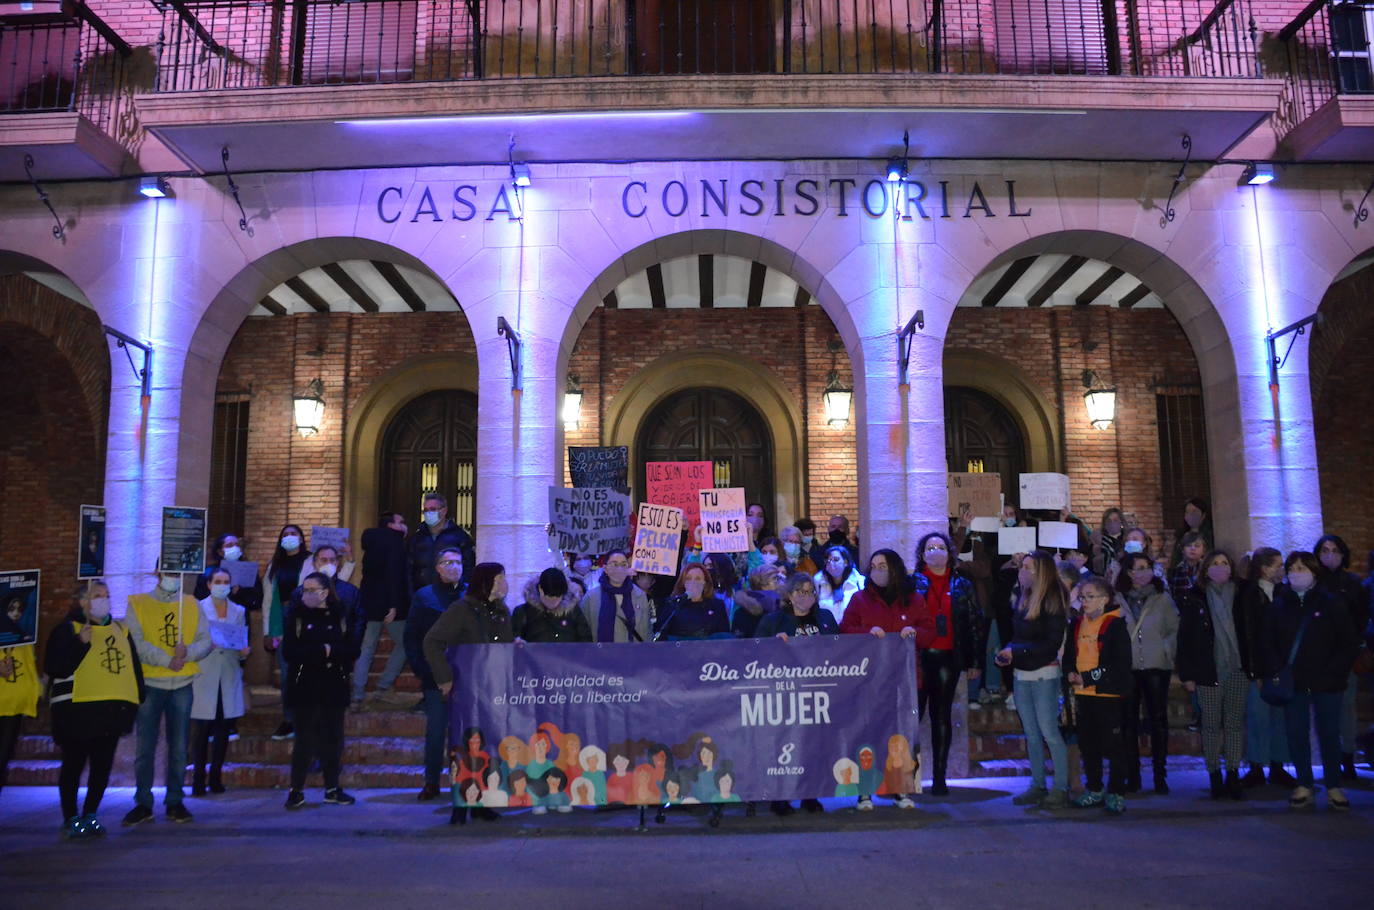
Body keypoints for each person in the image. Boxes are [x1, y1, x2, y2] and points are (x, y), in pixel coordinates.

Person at [45, 582, 144, 838]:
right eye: (97, 596)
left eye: (107, 596)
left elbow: (133, 669)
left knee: (102, 767)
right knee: (73, 766)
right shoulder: (68, 629)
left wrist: (134, 703)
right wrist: (80, 642)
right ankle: (70, 818)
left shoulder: (121, 629)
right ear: (82, 602)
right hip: (76, 712)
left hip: (110, 712)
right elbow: (56, 667)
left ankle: (91, 814)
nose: (104, 600)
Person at [840, 548, 933, 810]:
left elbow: (929, 631)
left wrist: (913, 632)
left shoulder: (914, 600)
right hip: (869, 681)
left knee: (901, 736)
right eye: (873, 566)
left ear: (894, 568)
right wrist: (867, 632)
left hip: (904, 680)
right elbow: (845, 629)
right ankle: (865, 791)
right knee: (867, 734)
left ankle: (901, 789)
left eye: (882, 565)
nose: (877, 571)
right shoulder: (860, 600)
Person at [1266, 551, 1360, 810]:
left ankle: (1333, 785)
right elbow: (1269, 641)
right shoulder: (1280, 603)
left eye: (1302, 568)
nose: (1297, 573)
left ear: (1314, 573)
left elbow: (1347, 642)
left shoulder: (1331, 602)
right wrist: (1277, 669)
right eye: (1292, 568)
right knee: (1296, 733)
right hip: (1294, 681)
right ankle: (1304, 783)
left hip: (1327, 681)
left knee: (1329, 733)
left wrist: (1334, 672)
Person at [423, 562, 513, 825]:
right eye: (498, 578)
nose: (503, 583)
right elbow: (432, 642)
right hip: (467, 691)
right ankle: (461, 803)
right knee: (464, 746)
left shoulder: (501, 611)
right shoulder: (462, 610)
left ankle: (481, 802)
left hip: (493, 689)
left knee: (487, 745)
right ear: (485, 582)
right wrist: (445, 678)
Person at [123, 567, 211, 826]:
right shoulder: (137, 603)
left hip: (182, 683)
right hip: (151, 682)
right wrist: (167, 660)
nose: (173, 577)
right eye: (168, 572)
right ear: (158, 573)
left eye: (177, 572)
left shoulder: (192, 604)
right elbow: (136, 642)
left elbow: (205, 640)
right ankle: (142, 803)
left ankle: (175, 801)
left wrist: (188, 654)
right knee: (145, 747)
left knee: (180, 747)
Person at [909, 531, 987, 795]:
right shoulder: (912, 583)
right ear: (922, 554)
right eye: (929, 547)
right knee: (912, 716)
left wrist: (975, 660)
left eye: (939, 547)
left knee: (940, 715)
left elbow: (976, 624)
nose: (935, 551)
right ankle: (906, 776)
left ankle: (940, 776)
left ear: (949, 552)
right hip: (918, 657)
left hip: (948, 657)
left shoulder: (962, 583)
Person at [995, 551, 1071, 809]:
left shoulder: (1053, 600)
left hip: (1044, 673)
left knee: (1049, 731)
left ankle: (1060, 787)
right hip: (1022, 673)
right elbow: (1019, 636)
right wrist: (1008, 650)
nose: (1022, 571)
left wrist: (1016, 651)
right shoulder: (1024, 598)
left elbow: (1050, 644)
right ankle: (1037, 784)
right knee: (1031, 733)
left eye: (1027, 567)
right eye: (1022, 567)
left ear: (1042, 572)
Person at [757, 572, 837, 816]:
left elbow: (840, 648)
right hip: (783, 693)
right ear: (789, 595)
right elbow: (754, 651)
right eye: (800, 592)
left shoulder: (824, 618)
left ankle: (810, 795)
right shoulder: (774, 621)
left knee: (813, 745)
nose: (806, 596)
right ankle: (780, 797)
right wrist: (773, 643)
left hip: (816, 693)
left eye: (810, 591)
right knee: (783, 745)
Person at [1176, 549, 1248, 800]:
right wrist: (1187, 674)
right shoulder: (1194, 598)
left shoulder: (1241, 596)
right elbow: (1184, 639)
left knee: (1234, 725)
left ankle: (1233, 773)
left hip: (1237, 669)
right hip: (1207, 670)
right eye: (1215, 563)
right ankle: (1214, 774)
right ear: (1206, 569)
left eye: (1224, 563)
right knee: (1210, 726)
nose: (1220, 567)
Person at [282, 571, 359, 809]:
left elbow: (351, 649)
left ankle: (332, 788)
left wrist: (331, 651)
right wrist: (322, 651)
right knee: (304, 739)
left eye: (312, 590)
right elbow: (290, 651)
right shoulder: (296, 616)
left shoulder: (340, 615)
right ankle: (296, 790)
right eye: (304, 590)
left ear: (325, 592)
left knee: (333, 738)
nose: (306, 594)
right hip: (305, 685)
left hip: (334, 684)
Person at [1064, 576, 1132, 814]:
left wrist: (1090, 677)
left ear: (1104, 599)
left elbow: (1119, 663)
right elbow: (1070, 656)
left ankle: (1116, 792)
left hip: (1108, 696)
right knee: (1089, 745)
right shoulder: (1077, 624)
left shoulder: (1115, 625)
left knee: (1113, 746)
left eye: (1090, 597)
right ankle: (1094, 789)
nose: (1085, 602)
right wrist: (1071, 673)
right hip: (1084, 694)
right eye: (1082, 597)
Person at [1115, 551, 1180, 794]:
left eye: (1146, 567)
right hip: (1128, 666)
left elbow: (1174, 628)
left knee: (1158, 721)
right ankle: (1133, 776)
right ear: (1128, 572)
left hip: (1156, 665)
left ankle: (1160, 775)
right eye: (1136, 568)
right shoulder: (1119, 598)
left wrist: (1166, 650)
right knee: (1128, 723)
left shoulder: (1162, 598)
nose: (1142, 572)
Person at [405, 546, 465, 801]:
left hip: (466, 675)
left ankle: (463, 782)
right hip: (435, 677)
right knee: (436, 731)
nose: (454, 567)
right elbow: (412, 637)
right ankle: (431, 782)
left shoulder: (470, 595)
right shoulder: (425, 596)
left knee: (463, 733)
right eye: (448, 563)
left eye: (458, 563)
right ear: (438, 567)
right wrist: (423, 670)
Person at [1238, 547, 1295, 788]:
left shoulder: (1285, 593)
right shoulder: (1248, 595)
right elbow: (1248, 635)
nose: (1282, 570)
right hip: (1259, 666)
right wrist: (1254, 671)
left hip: (1281, 666)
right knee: (1258, 718)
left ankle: (1278, 765)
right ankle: (1257, 766)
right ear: (1263, 568)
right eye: (1277, 565)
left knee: (1280, 718)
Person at [189, 568, 250, 795]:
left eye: (226, 581)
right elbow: (191, 640)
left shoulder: (238, 610)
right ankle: (198, 779)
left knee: (224, 729)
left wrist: (244, 650)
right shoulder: (197, 608)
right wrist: (207, 645)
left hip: (228, 672)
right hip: (205, 673)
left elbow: (241, 640)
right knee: (201, 730)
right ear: (209, 584)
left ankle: (215, 777)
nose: (222, 585)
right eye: (218, 581)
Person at [1313, 533, 1369, 781]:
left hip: (1346, 655)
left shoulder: (1354, 583)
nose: (1330, 555)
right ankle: (1329, 759)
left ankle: (1347, 757)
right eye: (1324, 550)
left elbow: (1361, 617)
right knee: (1323, 711)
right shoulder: (1314, 583)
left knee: (1346, 708)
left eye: (1334, 550)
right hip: (1318, 656)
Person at [352, 511, 411, 706]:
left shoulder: (371, 541)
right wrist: (393, 605)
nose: (404, 525)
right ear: (391, 525)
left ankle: (358, 692)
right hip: (389, 604)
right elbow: (393, 575)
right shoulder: (394, 543)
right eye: (401, 521)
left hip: (369, 602)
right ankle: (383, 686)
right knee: (405, 643)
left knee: (366, 647)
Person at [263, 524, 311, 740]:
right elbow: (267, 599)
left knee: (308, 671)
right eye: (285, 534)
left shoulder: (311, 560)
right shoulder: (275, 564)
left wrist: (347, 561)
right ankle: (289, 718)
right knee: (287, 673)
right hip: (281, 618)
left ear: (301, 539)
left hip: (306, 617)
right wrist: (267, 630)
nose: (289, 537)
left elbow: (332, 580)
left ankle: (307, 718)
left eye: (294, 534)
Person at [408, 492, 475, 592]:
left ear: (444, 511)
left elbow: (469, 567)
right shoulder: (418, 538)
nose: (428, 513)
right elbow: (409, 569)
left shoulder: (459, 536)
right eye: (425, 510)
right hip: (422, 594)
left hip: (451, 595)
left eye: (433, 509)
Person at [580, 549, 650, 643]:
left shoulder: (639, 595)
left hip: (632, 654)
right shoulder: (591, 597)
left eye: (623, 564)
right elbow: (582, 631)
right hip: (601, 655)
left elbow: (647, 630)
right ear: (605, 569)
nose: (619, 569)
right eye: (614, 564)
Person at [514, 569, 593, 643]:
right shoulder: (523, 612)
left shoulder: (574, 612)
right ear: (540, 589)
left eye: (558, 597)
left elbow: (586, 642)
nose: (553, 602)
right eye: (549, 597)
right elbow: (513, 643)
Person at [655, 564, 730, 640]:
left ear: (705, 583)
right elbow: (661, 637)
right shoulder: (672, 605)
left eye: (697, 579)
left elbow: (724, 637)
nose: (693, 582)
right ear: (683, 583)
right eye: (688, 578)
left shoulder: (717, 606)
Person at [194, 533, 263, 613]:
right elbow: (199, 599)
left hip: (238, 619)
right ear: (220, 551)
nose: (235, 548)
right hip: (211, 618)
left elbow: (257, 602)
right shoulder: (207, 573)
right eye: (229, 545)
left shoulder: (249, 571)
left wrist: (240, 592)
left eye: (237, 545)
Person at [814, 545, 865, 626]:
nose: (831, 563)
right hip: (828, 633)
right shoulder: (818, 582)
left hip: (852, 631)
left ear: (846, 562)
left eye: (836, 559)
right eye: (828, 561)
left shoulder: (860, 582)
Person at [1170, 498, 1214, 571]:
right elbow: (1175, 560)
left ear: (1203, 515)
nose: (1190, 515)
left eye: (1194, 511)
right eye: (1187, 512)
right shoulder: (1181, 536)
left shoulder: (1210, 535)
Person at [1169, 531, 1208, 600]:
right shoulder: (1175, 571)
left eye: (1197, 546)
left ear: (1203, 550)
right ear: (1183, 550)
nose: (1193, 548)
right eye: (1188, 545)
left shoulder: (1207, 570)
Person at [1094, 508, 1126, 576]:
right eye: (1109, 520)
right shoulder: (1098, 540)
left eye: (1115, 520)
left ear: (1121, 522)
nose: (1112, 523)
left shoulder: (1128, 539)